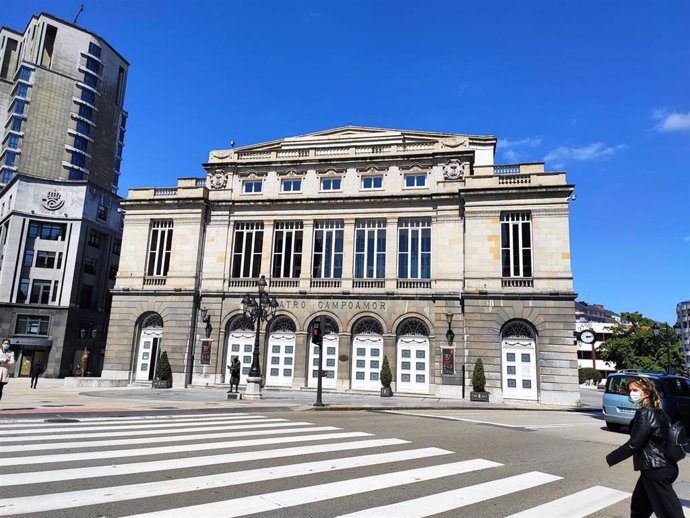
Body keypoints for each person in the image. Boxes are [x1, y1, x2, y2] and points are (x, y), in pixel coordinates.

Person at [606, 377, 683, 518]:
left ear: (646, 392)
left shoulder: (645, 413)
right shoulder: (659, 411)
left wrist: (610, 458)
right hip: (659, 467)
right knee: (639, 508)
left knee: (670, 513)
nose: (631, 394)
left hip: (655, 470)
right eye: (630, 391)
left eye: (635, 390)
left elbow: (634, 444)